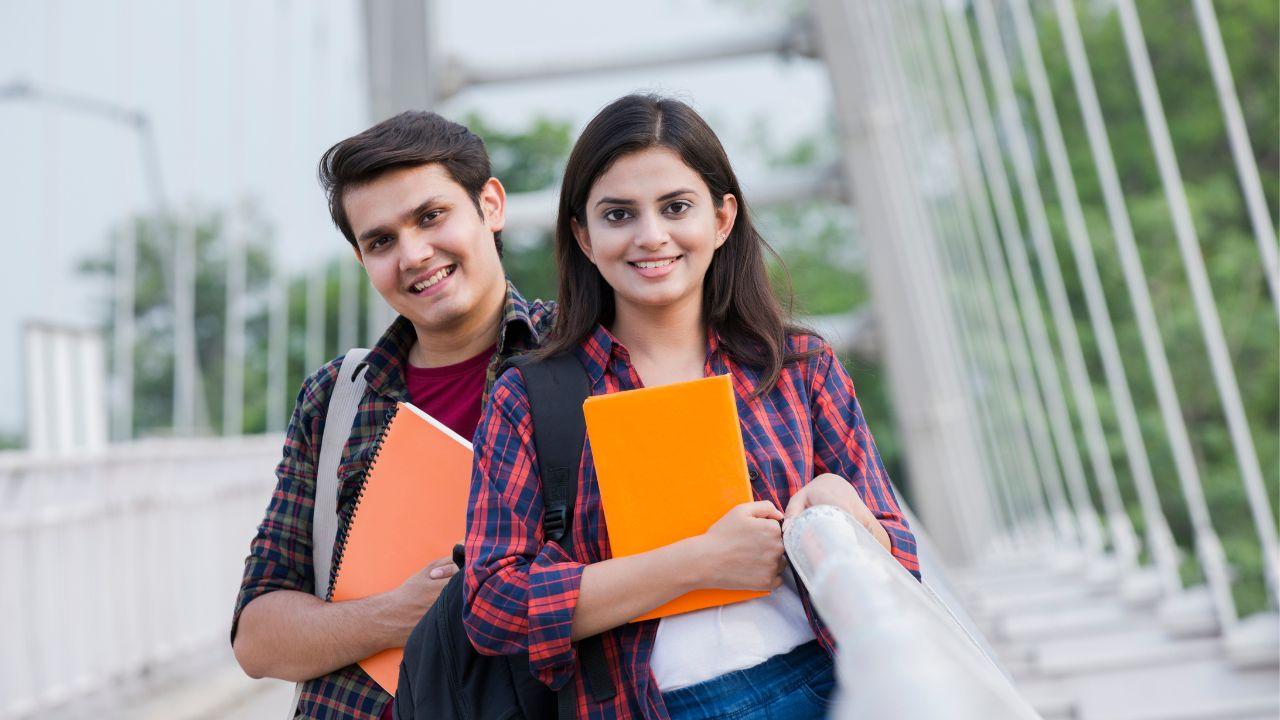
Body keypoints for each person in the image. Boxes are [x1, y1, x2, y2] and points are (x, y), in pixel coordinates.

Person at [463, 94, 921, 719]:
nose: (651, 236)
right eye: (618, 214)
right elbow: (493, 605)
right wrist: (697, 563)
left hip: (823, 686)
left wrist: (845, 508)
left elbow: (901, 562)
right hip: (649, 705)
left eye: (676, 207)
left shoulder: (797, 367)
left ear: (723, 218)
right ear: (584, 236)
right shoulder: (529, 399)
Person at [231, 111, 555, 720]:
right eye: (381, 241)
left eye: (431, 216)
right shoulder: (337, 398)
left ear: (490, 205)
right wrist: (395, 615)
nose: (414, 254)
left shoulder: (584, 356)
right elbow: (257, 637)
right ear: (362, 259)